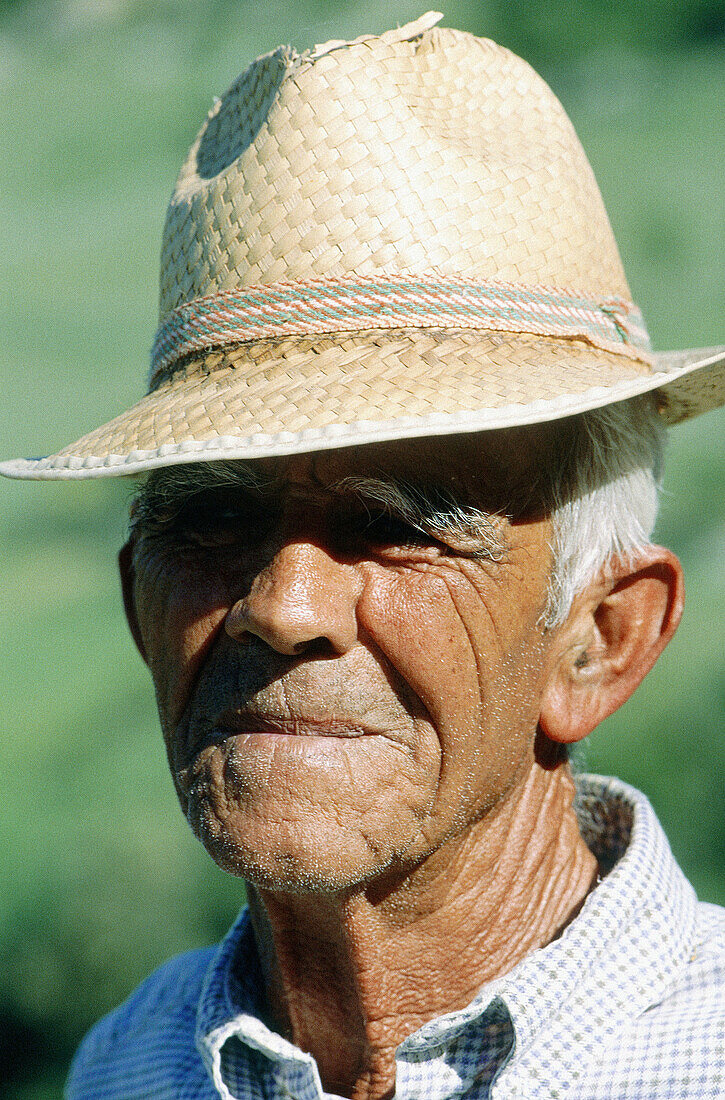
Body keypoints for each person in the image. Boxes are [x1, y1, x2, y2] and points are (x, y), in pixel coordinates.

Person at [2, 13, 724, 1100]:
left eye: (400, 526)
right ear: (135, 611)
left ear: (597, 642)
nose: (283, 606)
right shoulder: (129, 1063)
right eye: (207, 520)